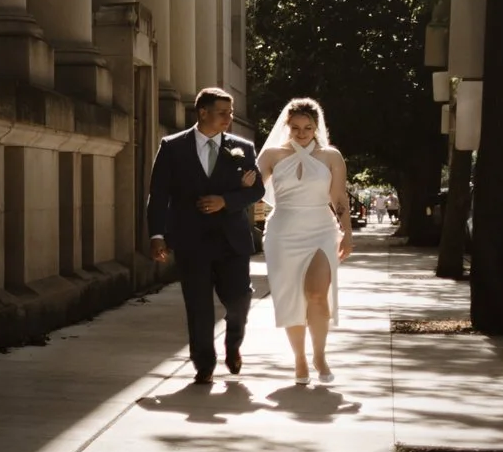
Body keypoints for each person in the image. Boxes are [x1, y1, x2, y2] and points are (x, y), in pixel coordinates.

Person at [147, 86, 262, 382]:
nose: (229, 117)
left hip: (231, 241)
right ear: (203, 112)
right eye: (223, 112)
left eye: (231, 112)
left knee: (239, 300)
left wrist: (227, 201)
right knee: (198, 306)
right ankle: (204, 366)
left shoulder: (243, 148)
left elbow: (258, 189)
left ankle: (233, 344)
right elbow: (158, 195)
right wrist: (157, 235)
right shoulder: (172, 147)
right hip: (190, 240)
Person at [256, 96, 351, 382]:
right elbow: (250, 192)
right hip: (283, 231)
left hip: (321, 228)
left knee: (317, 294)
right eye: (295, 127)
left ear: (316, 127)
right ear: (287, 126)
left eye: (307, 128)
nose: (301, 133)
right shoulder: (271, 155)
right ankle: (299, 360)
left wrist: (346, 231)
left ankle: (320, 356)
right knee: (290, 298)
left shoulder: (331, 156)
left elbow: (339, 197)